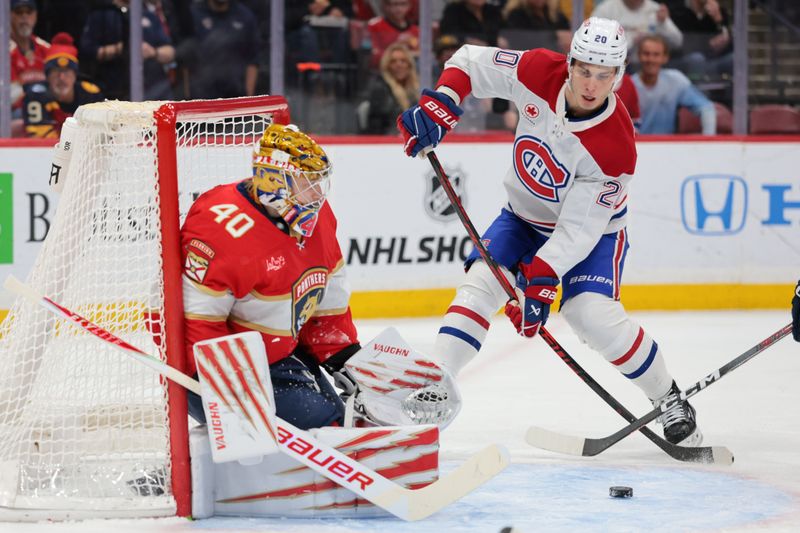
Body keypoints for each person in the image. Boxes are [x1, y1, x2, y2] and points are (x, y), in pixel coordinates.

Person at [396, 17, 701, 446]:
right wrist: (442, 101)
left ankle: (668, 396)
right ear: (570, 61)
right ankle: (437, 382)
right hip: (522, 216)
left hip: (594, 236)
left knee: (589, 315)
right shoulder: (539, 70)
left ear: (618, 75)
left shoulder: (615, 146)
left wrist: (537, 285)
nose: (591, 84)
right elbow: (468, 61)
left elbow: (577, 229)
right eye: (583, 70)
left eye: (603, 74)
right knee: (480, 284)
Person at [180, 123, 361, 429]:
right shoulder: (221, 227)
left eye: (319, 183)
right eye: (307, 183)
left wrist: (342, 354)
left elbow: (326, 295)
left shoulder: (319, 217)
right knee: (327, 430)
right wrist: (232, 390)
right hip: (222, 373)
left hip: (281, 358)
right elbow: (197, 324)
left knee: (345, 421)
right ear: (276, 182)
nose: (317, 194)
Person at [80, 0, 176, 101]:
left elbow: (170, 52)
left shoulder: (148, 15)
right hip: (115, 91)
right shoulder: (102, 14)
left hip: (153, 90)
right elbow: (88, 51)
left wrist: (153, 52)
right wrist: (122, 48)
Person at [22, 32, 104, 139]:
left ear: (75, 75)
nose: (61, 78)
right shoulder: (36, 96)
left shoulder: (91, 94)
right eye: (56, 72)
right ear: (47, 76)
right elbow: (41, 140)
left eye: (66, 72)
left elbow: (102, 133)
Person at [632, 34, 715, 134]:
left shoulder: (676, 80)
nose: (651, 59)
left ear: (665, 58)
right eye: (646, 54)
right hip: (636, 146)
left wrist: (708, 142)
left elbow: (707, 109)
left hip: (668, 147)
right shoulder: (628, 84)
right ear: (638, 55)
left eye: (656, 54)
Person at [186, 0, 260, 99]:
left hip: (235, 96)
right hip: (201, 97)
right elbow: (185, 58)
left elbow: (253, 59)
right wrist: (187, 97)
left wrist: (248, 98)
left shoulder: (245, 16)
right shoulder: (193, 14)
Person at [591, 0, 683, 67]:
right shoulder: (606, 9)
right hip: (617, 65)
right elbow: (593, 42)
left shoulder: (655, 9)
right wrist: (631, 40)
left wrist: (664, 23)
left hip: (651, 64)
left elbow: (678, 42)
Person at [362, 43, 420, 134]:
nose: (399, 65)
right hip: (389, 142)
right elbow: (377, 127)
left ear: (409, 65)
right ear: (387, 66)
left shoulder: (416, 90)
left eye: (403, 61)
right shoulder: (380, 89)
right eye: (393, 61)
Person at [9, 0, 50, 118]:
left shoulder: (46, 49)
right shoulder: (4, 52)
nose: (24, 17)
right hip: (15, 113)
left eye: (29, 12)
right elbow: (9, 97)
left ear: (35, 15)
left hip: (46, 109)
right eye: (19, 12)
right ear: (10, 15)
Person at [367, 0, 420, 69]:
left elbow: (420, 53)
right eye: (394, 4)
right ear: (386, 6)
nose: (399, 8)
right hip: (382, 72)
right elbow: (373, 56)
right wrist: (399, 48)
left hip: (410, 72)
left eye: (403, 4)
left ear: (409, 6)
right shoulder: (375, 26)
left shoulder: (415, 30)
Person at [440, 0, 505, 47]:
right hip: (464, 50)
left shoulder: (493, 10)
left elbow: (506, 31)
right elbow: (449, 33)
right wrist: (468, 40)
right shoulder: (454, 10)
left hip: (491, 50)